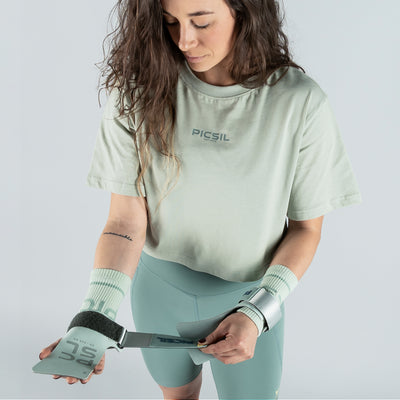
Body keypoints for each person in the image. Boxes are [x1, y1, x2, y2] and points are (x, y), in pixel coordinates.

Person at [38, 0, 362, 398]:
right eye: (170, 22)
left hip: (248, 298)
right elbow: (124, 222)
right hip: (159, 293)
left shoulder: (300, 103)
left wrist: (258, 311)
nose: (184, 40)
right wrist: (95, 315)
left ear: (245, 11)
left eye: (201, 22)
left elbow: (306, 230)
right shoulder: (137, 90)